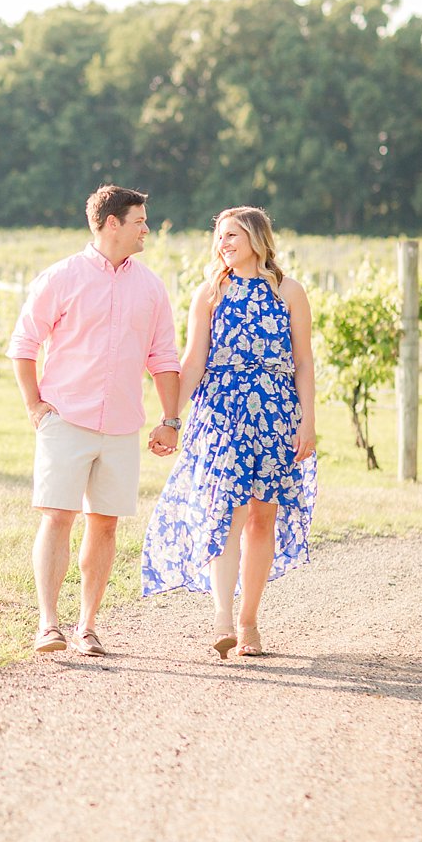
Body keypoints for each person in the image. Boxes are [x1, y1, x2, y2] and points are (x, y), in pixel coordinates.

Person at [6, 185, 181, 657]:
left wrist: (171, 419)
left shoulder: (150, 286)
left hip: (122, 424)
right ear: (112, 223)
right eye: (140, 220)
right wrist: (34, 406)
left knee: (105, 525)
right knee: (58, 516)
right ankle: (48, 624)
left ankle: (87, 627)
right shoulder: (61, 277)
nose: (147, 228)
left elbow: (163, 357)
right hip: (65, 419)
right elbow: (23, 346)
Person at [139, 206, 318, 659]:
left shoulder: (289, 291)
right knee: (227, 510)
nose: (224, 243)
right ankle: (222, 615)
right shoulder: (210, 293)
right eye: (219, 236)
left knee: (263, 517)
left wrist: (308, 422)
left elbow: (303, 362)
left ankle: (249, 621)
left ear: (257, 238)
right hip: (221, 413)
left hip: (276, 412)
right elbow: (194, 360)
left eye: (233, 235)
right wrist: (171, 417)